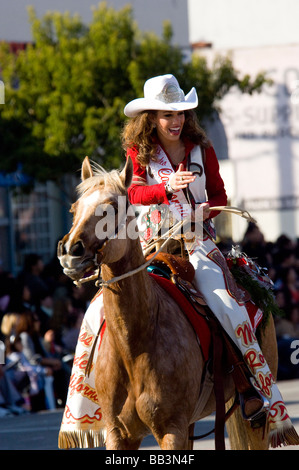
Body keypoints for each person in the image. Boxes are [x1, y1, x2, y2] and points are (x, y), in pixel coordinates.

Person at [121, 74, 293, 426]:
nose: (176, 120)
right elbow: (133, 194)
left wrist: (207, 210)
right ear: (151, 117)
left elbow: (219, 194)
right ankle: (93, 402)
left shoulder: (202, 149)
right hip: (151, 246)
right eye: (167, 114)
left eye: (180, 113)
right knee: (106, 307)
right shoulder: (139, 154)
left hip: (197, 241)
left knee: (226, 304)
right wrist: (166, 187)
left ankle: (247, 388)